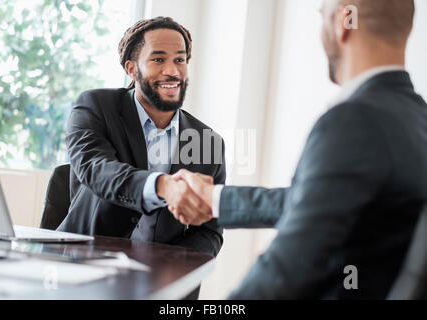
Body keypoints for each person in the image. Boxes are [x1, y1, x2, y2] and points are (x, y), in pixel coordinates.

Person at [170, 0, 427, 299]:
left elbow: (285, 271)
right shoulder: (415, 118)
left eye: (322, 17)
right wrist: (214, 198)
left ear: (345, 21)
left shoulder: (353, 120)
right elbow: (323, 203)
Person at [58, 17, 226, 262]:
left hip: (156, 277)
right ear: (132, 69)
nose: (172, 71)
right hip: (81, 264)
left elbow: (210, 232)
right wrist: (162, 186)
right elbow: (97, 169)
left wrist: (170, 267)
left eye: (179, 59)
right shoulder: (95, 107)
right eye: (158, 59)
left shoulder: (208, 142)